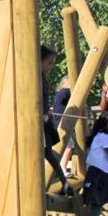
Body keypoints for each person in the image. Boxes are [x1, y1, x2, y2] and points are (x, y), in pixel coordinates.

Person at [41, 45, 71, 195]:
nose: (51, 66)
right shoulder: (36, 78)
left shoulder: (43, 79)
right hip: (38, 122)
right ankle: (62, 181)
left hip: (45, 121)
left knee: (48, 153)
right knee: (46, 153)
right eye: (49, 62)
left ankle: (64, 182)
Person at [53, 75, 75, 177]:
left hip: (59, 123)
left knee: (65, 147)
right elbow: (69, 93)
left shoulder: (59, 94)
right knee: (69, 147)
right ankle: (62, 167)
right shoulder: (64, 92)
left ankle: (60, 168)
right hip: (62, 124)